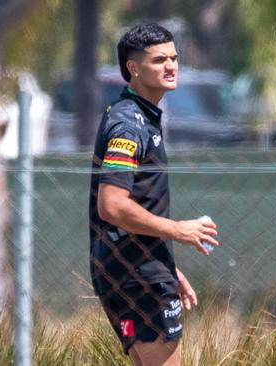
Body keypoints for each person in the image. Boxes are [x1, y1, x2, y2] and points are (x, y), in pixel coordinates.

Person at [89, 23, 219, 366]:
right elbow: (112, 205)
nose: (171, 66)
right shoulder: (129, 124)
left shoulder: (143, 117)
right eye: (160, 59)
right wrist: (178, 230)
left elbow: (138, 202)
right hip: (136, 274)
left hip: (143, 267)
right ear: (133, 68)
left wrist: (167, 265)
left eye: (174, 58)